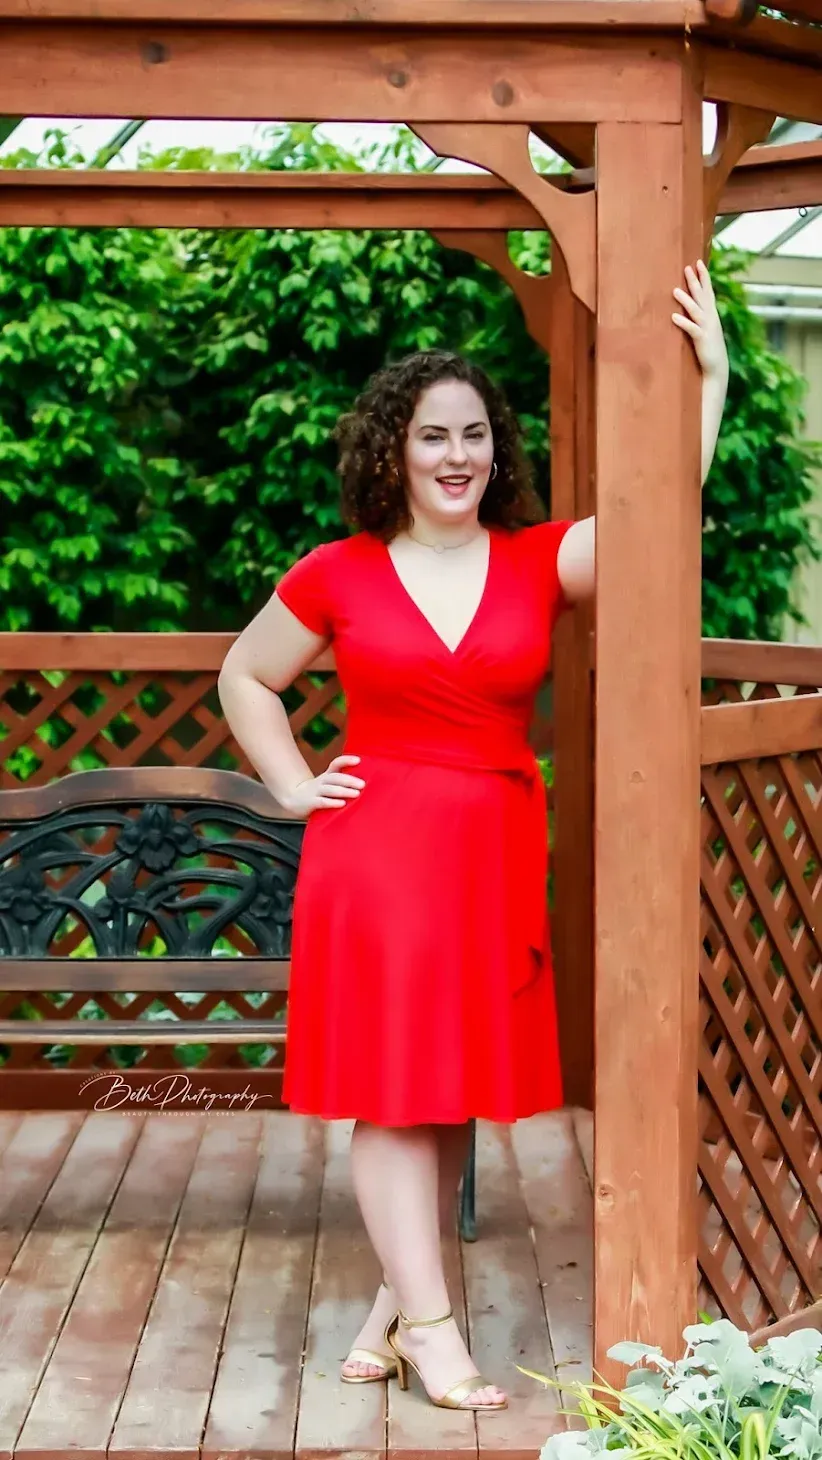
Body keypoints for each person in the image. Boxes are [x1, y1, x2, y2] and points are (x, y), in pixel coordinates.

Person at [217, 260, 729, 1413]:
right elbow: (247, 674)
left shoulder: (537, 559)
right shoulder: (338, 571)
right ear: (394, 448)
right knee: (395, 1093)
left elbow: (660, 512)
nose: (458, 455)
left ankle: (395, 1303)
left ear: (498, 451)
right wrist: (293, 785)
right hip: (378, 847)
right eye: (434, 434)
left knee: (442, 1087)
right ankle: (439, 1332)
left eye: (477, 435)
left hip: (492, 843)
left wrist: (714, 379)